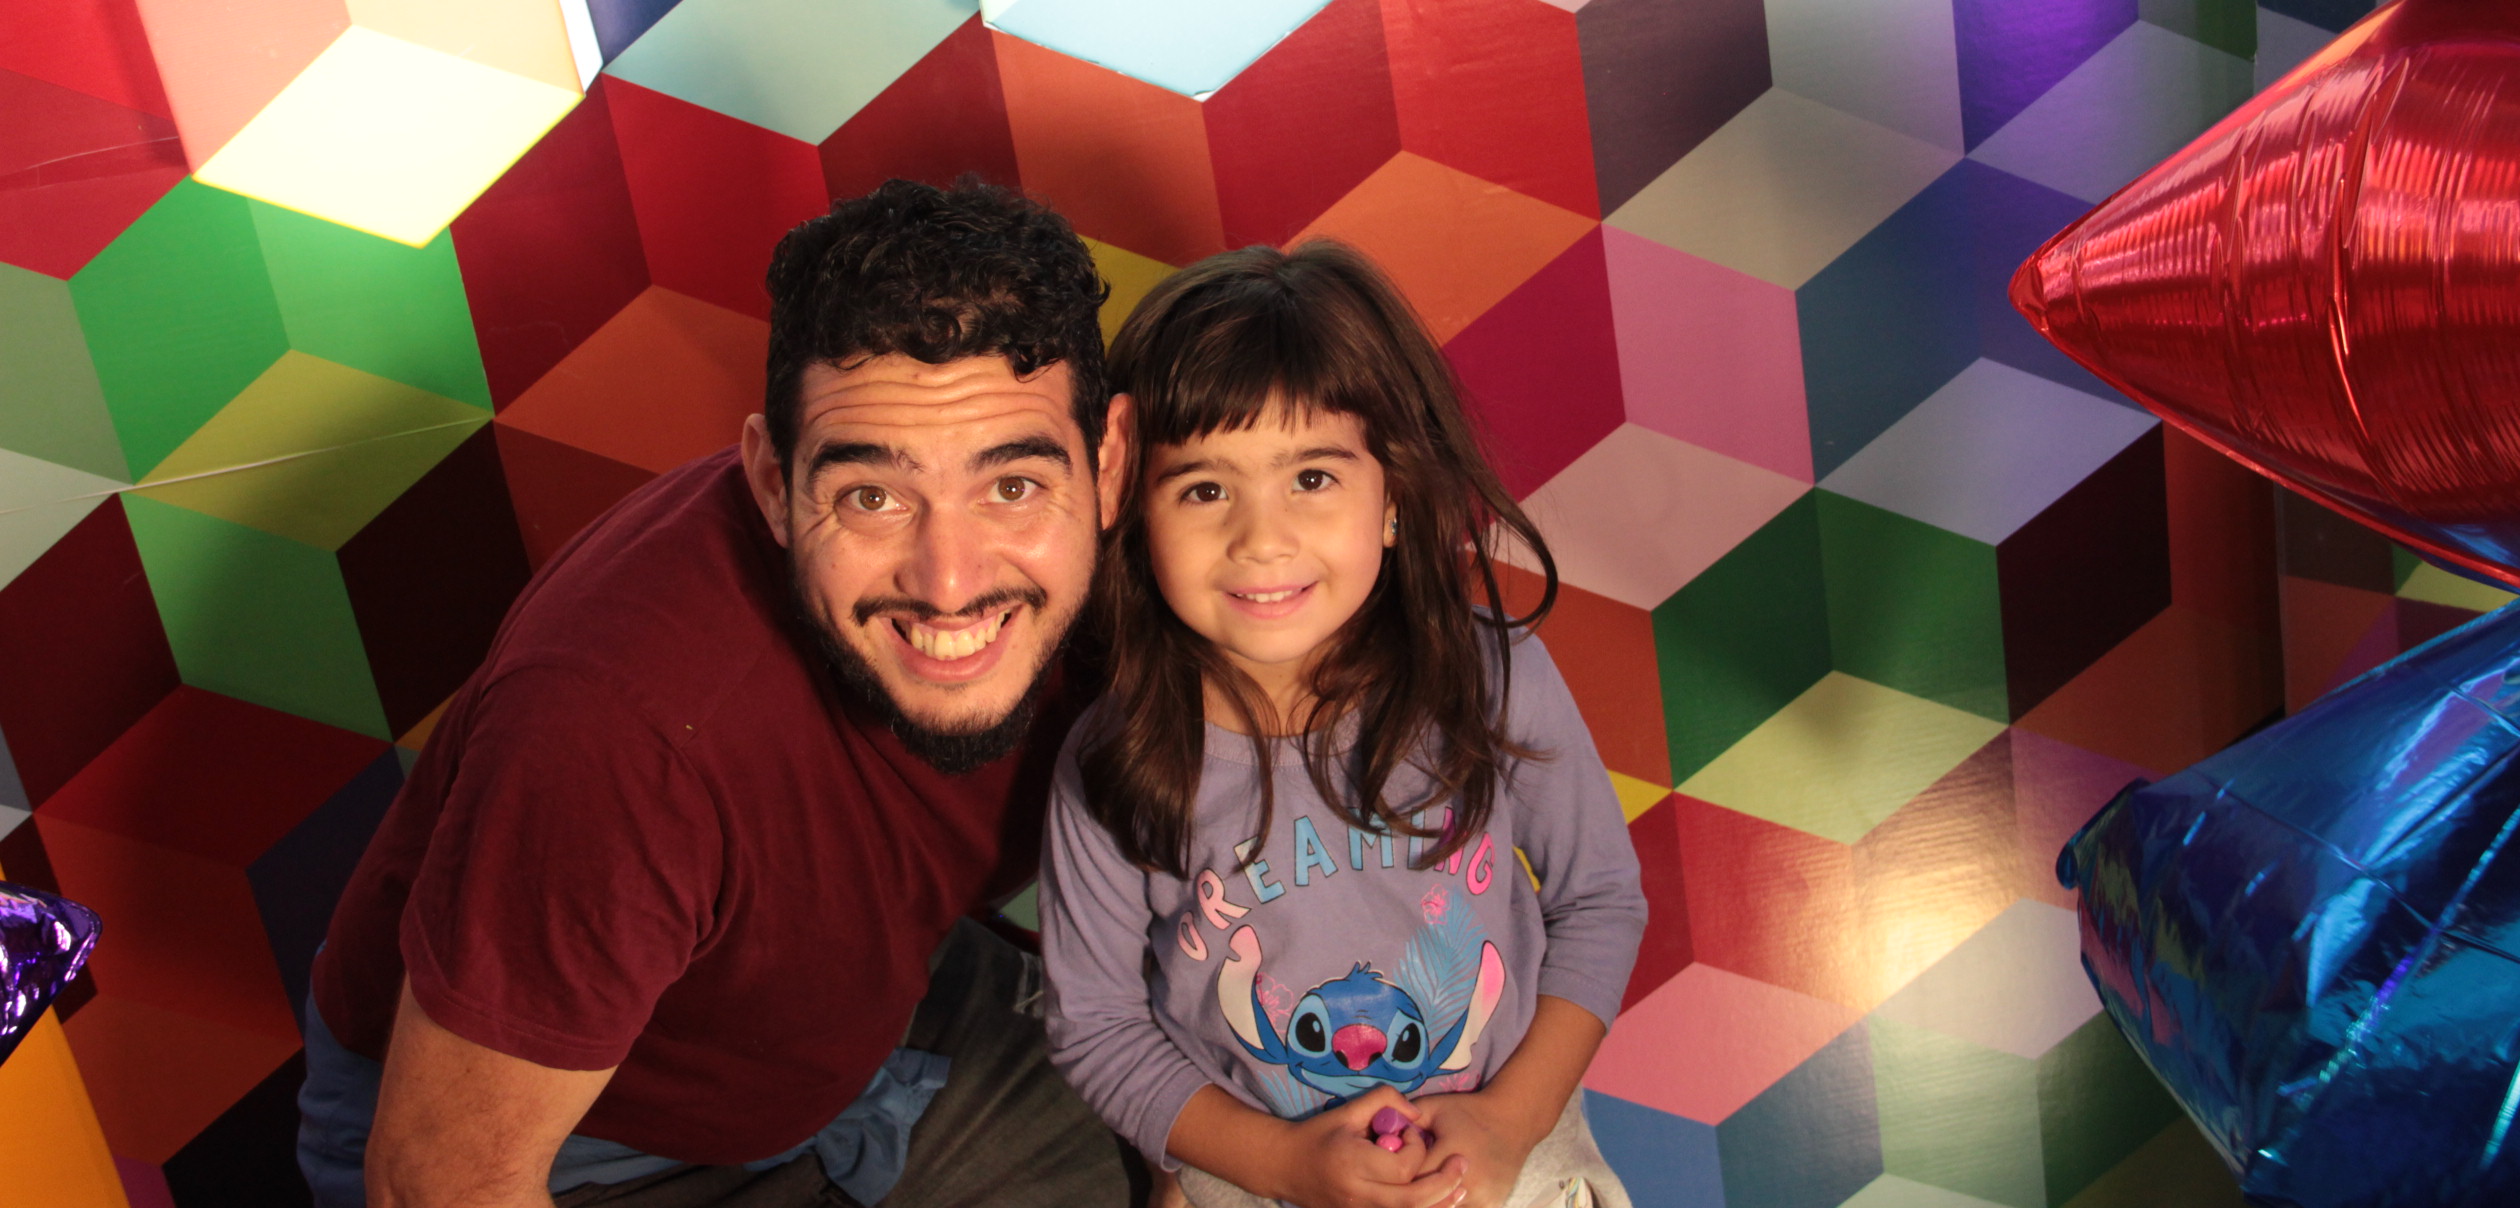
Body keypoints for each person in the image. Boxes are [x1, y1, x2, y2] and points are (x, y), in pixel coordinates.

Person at [297, 179, 1142, 1208]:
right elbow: (438, 1180)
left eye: (1011, 486)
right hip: (580, 1138)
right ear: (773, 485)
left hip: (846, 1008)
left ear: (1109, 465)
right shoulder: (614, 738)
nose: (950, 581)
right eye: (871, 496)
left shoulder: (1187, 557)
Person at [1039, 242, 1646, 1208]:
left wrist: (1509, 1123)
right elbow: (1097, 1026)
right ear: (1135, 512)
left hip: (1507, 1153)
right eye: (1204, 489)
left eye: (1312, 479)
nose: (1261, 538)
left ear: (1394, 493)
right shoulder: (1114, 761)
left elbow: (1601, 901)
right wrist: (1274, 1167)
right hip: (1254, 1172)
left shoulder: (1487, 678)